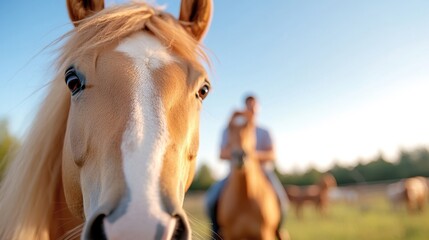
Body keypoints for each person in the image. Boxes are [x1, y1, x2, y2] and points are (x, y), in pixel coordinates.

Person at [205, 94, 288, 235]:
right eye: (249, 106)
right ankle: (216, 233)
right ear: (245, 108)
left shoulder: (264, 131)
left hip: (263, 172)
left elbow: (272, 154)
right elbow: (221, 153)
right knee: (211, 199)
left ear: (258, 109)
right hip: (235, 173)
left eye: (254, 106)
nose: (252, 109)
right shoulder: (232, 128)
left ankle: (278, 229)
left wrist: (251, 155)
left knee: (281, 199)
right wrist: (236, 154)